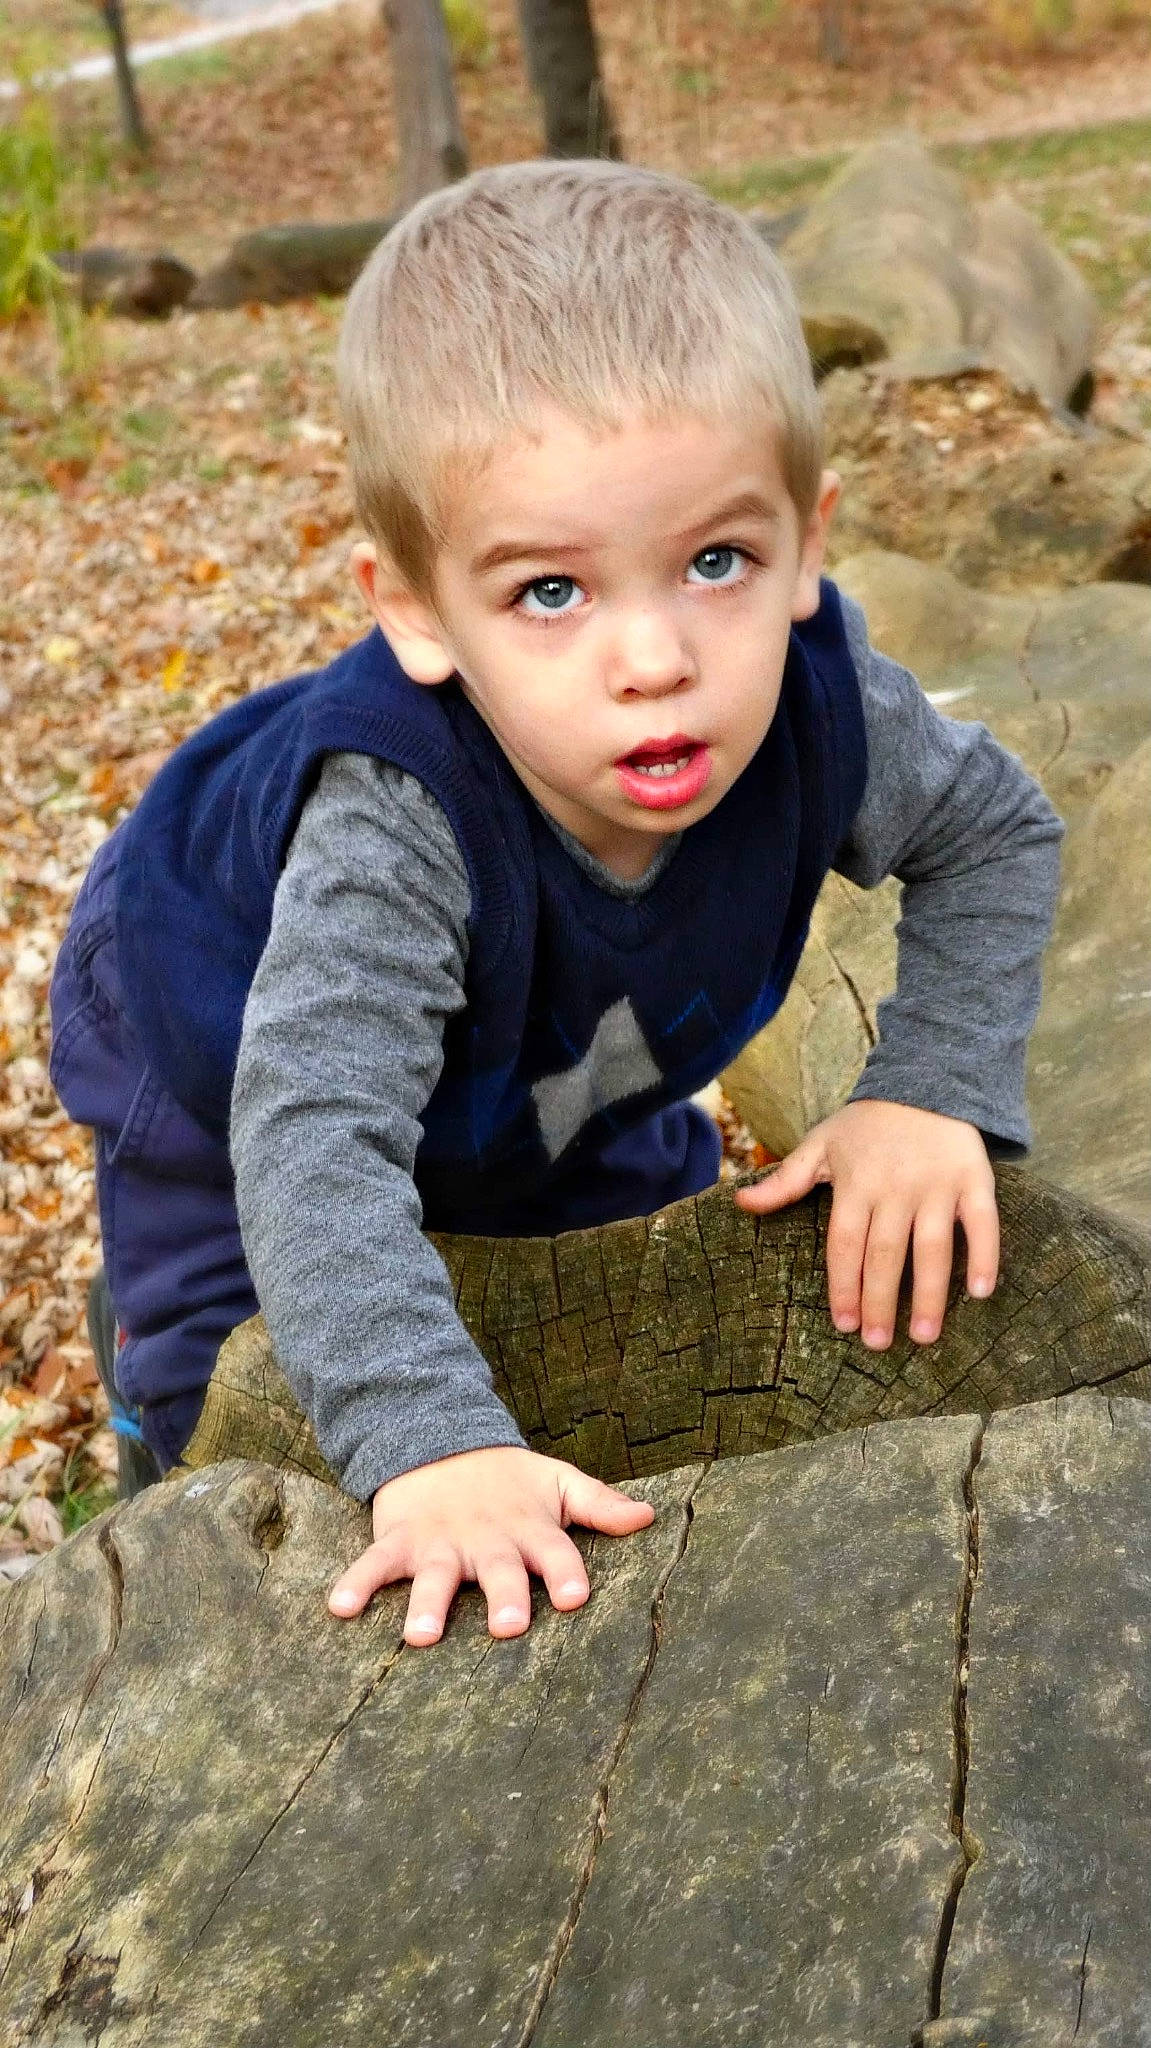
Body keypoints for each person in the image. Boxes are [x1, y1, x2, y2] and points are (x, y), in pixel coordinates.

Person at [50, 160, 1062, 1646]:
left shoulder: (825, 715)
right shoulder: (395, 834)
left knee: (636, 1310)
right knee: (241, 1394)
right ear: (412, 606)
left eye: (716, 560)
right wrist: (429, 1443)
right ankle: (154, 1408)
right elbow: (312, 1134)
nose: (653, 657)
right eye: (550, 592)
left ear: (808, 540)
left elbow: (999, 830)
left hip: (571, 1050)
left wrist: (933, 1087)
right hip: (219, 1049)